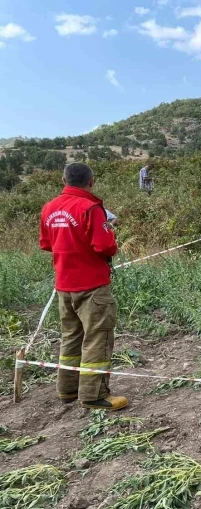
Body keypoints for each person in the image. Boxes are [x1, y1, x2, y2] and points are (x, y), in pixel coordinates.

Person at [39, 163, 127, 410]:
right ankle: (93, 394)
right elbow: (105, 247)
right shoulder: (90, 208)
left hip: (64, 286)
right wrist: (109, 232)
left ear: (63, 179)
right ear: (92, 181)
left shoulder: (49, 208)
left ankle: (67, 390)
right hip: (92, 286)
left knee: (71, 337)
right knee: (98, 337)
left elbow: (46, 244)